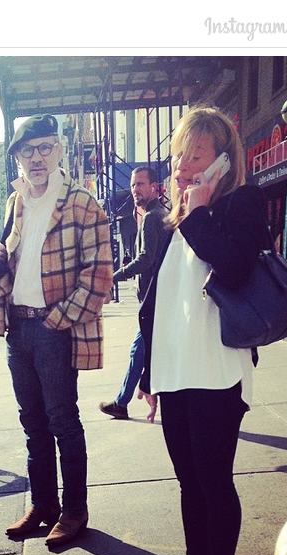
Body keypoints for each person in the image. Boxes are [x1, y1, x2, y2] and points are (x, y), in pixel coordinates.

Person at [137, 105, 271, 555]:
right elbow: (164, 306)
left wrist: (198, 212)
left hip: (216, 371)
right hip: (175, 372)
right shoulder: (174, 221)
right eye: (179, 156)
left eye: (196, 156)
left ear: (223, 162)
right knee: (188, 481)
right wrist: (149, 374)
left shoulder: (241, 204)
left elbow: (234, 269)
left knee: (214, 481)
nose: (182, 166)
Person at [0, 114, 113, 548]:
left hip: (54, 328)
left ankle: (74, 510)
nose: (36, 157)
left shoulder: (82, 203)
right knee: (32, 423)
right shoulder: (15, 201)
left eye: (45, 147)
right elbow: (17, 262)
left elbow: (99, 276)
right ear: (17, 157)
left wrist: (57, 320)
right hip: (17, 329)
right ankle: (43, 505)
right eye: (28, 150)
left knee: (63, 421)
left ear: (59, 150)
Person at [99, 167, 167, 421]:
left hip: (154, 300)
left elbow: (145, 259)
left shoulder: (151, 217)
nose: (135, 190)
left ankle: (122, 402)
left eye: (141, 184)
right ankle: (124, 401)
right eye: (133, 185)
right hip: (159, 298)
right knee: (144, 352)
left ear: (154, 187)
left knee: (139, 351)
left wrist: (114, 276)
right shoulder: (161, 214)